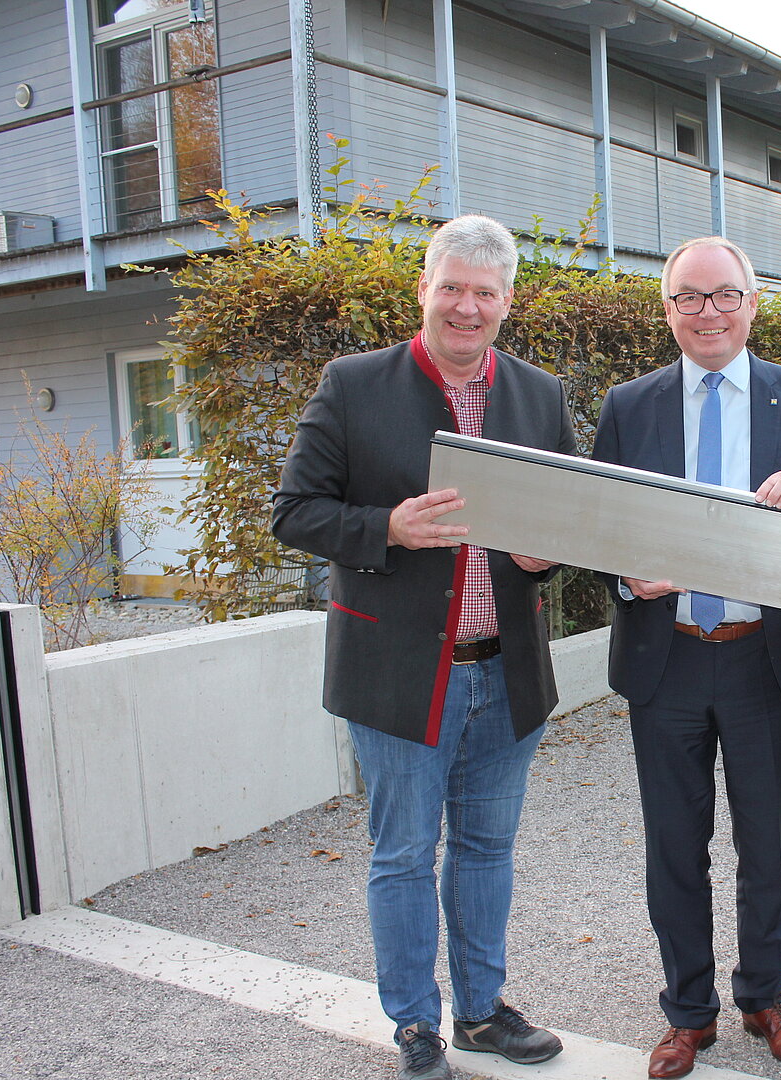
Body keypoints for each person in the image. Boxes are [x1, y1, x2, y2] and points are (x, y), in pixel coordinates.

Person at [272, 214, 575, 1079]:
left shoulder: (540, 395)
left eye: (485, 292)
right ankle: (415, 1024)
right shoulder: (353, 384)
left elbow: (567, 516)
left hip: (506, 671)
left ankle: (480, 1012)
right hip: (400, 673)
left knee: (487, 850)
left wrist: (546, 554)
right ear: (424, 289)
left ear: (507, 301)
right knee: (403, 854)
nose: (466, 308)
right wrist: (387, 528)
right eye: (452, 288)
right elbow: (295, 511)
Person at [591, 236, 781, 1079]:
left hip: (764, 659)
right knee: (674, 845)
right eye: (689, 297)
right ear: (667, 309)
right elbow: (595, 521)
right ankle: (687, 1012)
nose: (708, 312)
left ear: (753, 301)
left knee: (765, 843)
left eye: (725, 294)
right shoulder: (629, 405)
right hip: (664, 657)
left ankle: (765, 996)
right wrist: (625, 576)